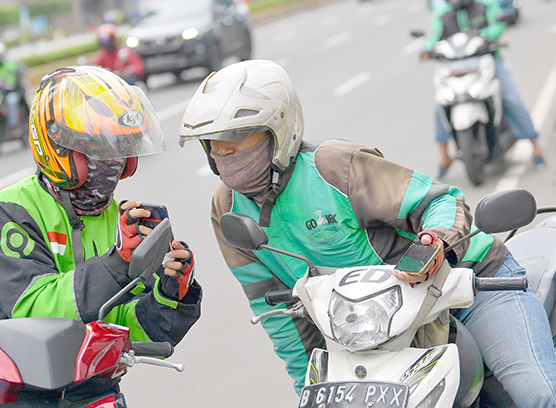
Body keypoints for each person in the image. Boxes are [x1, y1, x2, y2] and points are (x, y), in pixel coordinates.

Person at [178, 59, 556, 405]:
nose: (224, 154)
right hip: (379, 330)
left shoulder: (334, 168)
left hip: (469, 285)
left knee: (534, 394)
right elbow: (275, 309)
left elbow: (444, 201)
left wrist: (436, 241)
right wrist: (307, 390)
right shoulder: (225, 209)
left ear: (278, 130)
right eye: (214, 144)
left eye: (238, 140)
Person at [0, 65, 202, 408]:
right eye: (98, 149)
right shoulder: (12, 209)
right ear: (56, 147)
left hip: (87, 386)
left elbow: (120, 328)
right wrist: (118, 264)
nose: (112, 162)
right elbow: (33, 311)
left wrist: (169, 296)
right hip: (2, 382)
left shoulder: (118, 219)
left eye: (119, 149)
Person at [421, 0, 545, 178]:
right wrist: (428, 49)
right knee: (440, 105)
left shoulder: (485, 4)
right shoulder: (442, 13)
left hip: (487, 60)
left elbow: (498, 24)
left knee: (510, 98)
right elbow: (434, 35)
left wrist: (487, 36)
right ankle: (444, 157)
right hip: (455, 66)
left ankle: (536, 147)